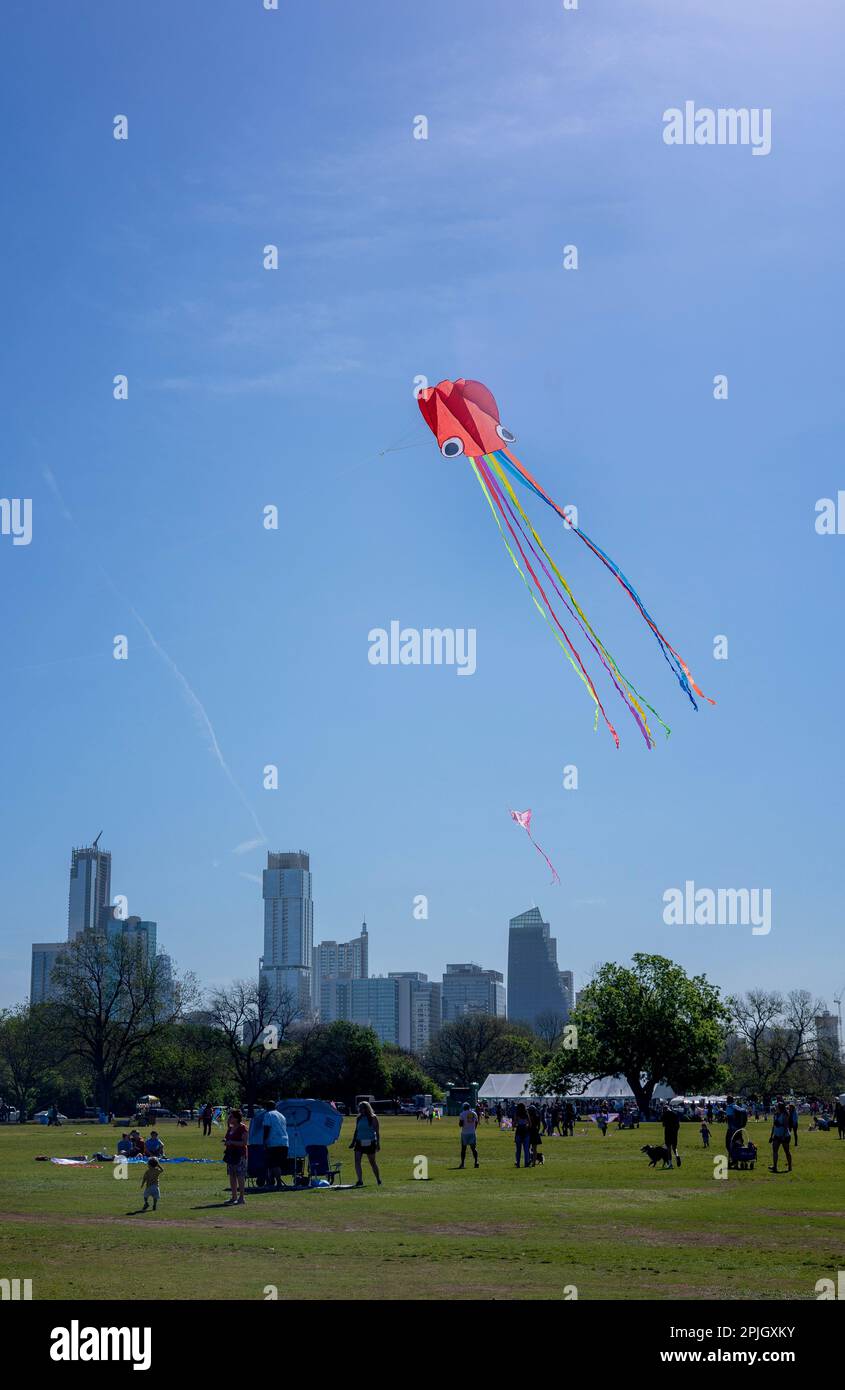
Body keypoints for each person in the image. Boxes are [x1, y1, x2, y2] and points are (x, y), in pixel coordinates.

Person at [350, 1101, 381, 1187]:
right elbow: (356, 1130)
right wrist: (353, 1142)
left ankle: (378, 1179)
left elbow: (377, 1132)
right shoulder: (359, 1118)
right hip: (359, 1142)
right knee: (357, 1161)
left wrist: (378, 1144)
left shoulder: (373, 1117)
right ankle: (360, 1180)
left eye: (362, 1108)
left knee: (372, 1162)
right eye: (359, 1108)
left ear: (367, 1108)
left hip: (370, 1142)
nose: (360, 1110)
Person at [223, 1108, 248, 1204]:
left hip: (240, 1155)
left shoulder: (243, 1128)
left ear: (237, 1118)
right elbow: (227, 1137)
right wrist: (225, 1141)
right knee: (232, 1175)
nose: (229, 1117)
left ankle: (241, 1198)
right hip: (230, 1154)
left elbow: (244, 1142)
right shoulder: (230, 1127)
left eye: (231, 1116)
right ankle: (234, 1197)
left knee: (240, 1176)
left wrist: (231, 1142)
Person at [262, 1103, 289, 1189]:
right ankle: (272, 1181)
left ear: (267, 1107)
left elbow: (267, 1128)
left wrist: (264, 1140)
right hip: (284, 1142)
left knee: (273, 1163)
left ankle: (277, 1182)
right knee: (276, 1163)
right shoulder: (282, 1115)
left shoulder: (268, 1114)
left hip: (274, 1142)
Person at [769, 1102, 792, 1173]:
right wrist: (771, 1136)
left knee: (787, 1151)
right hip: (776, 1135)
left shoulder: (785, 1114)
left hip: (784, 1136)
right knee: (775, 1151)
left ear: (780, 1107)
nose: (775, 1107)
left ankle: (790, 1166)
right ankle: (775, 1166)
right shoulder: (775, 1115)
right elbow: (774, 1126)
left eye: (776, 1106)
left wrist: (783, 1136)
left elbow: (786, 1126)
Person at [458, 1101, 480, 1169]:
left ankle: (462, 1164)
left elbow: (461, 1124)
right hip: (472, 1133)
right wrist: (474, 1129)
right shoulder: (474, 1113)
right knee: (473, 1148)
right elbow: (476, 1122)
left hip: (465, 1133)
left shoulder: (462, 1114)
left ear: (464, 1107)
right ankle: (476, 1162)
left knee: (463, 1149)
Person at [662, 1104, 681, 1168]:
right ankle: (677, 1156)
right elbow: (678, 1124)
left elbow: (663, 1124)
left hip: (668, 1132)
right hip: (674, 1133)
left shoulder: (665, 1114)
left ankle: (670, 1164)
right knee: (674, 1147)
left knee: (668, 1148)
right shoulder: (674, 1114)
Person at [514, 1102, 531, 1168]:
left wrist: (517, 1123)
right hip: (526, 1132)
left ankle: (518, 1163)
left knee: (518, 1150)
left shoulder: (517, 1114)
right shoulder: (526, 1114)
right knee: (526, 1149)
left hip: (518, 1132)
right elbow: (530, 1124)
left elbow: (514, 1124)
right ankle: (526, 1163)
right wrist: (526, 1125)